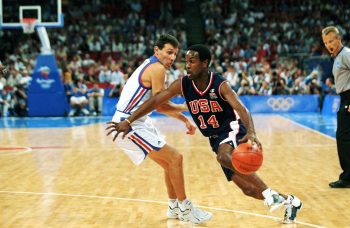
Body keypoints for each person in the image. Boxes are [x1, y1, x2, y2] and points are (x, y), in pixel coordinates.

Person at [107, 44, 303, 224]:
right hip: (214, 137)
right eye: (186, 61)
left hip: (231, 129)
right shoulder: (182, 84)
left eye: (192, 61)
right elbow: (156, 101)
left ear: (205, 63)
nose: (187, 65)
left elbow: (242, 109)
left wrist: (251, 131)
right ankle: (290, 202)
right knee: (249, 189)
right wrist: (128, 120)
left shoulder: (219, 84)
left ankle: (270, 193)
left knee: (223, 156)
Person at [106, 35, 212, 224]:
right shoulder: (157, 69)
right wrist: (186, 109)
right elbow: (160, 105)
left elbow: (158, 104)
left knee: (169, 163)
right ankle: (186, 209)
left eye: (175, 55)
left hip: (135, 121)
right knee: (176, 158)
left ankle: (174, 207)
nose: (172, 58)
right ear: (157, 51)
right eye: (169, 52)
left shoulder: (151, 64)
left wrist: (184, 119)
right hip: (128, 124)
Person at [322, 26, 350, 188]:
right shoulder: (338, 56)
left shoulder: (346, 54)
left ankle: (347, 178)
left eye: (331, 41)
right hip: (344, 97)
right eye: (326, 42)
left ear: (338, 39)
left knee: (343, 138)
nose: (328, 45)